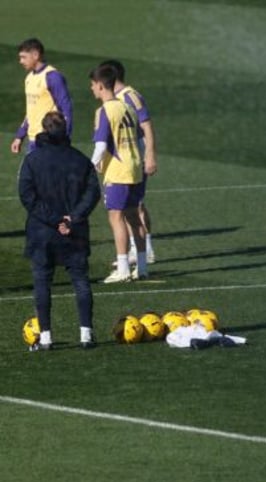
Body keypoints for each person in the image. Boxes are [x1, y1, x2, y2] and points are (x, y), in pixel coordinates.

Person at [18, 112, 100, 350]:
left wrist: (54, 220)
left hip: (42, 232)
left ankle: (46, 338)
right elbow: (92, 193)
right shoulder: (81, 160)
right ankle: (86, 334)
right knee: (80, 280)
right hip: (74, 231)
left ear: (43, 130)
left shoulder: (32, 161)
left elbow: (27, 196)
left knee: (42, 282)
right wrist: (72, 218)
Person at [89, 63, 148, 283]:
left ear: (101, 85)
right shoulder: (128, 108)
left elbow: (101, 146)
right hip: (134, 168)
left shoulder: (106, 110)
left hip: (118, 171)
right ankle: (142, 267)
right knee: (134, 216)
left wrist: (88, 168)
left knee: (116, 217)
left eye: (93, 85)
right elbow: (140, 142)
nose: (92, 89)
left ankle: (123, 268)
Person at [100, 59, 159, 265]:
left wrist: (150, 155)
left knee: (136, 206)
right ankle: (140, 250)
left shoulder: (130, 96)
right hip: (126, 159)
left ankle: (145, 250)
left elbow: (147, 126)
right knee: (130, 207)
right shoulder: (115, 99)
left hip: (136, 158)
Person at [10, 38, 73, 155]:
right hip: (33, 140)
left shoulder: (52, 77)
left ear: (35, 55)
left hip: (50, 140)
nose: (20, 61)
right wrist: (20, 136)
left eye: (24, 57)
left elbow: (66, 109)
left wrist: (66, 137)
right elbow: (31, 111)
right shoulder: (29, 78)